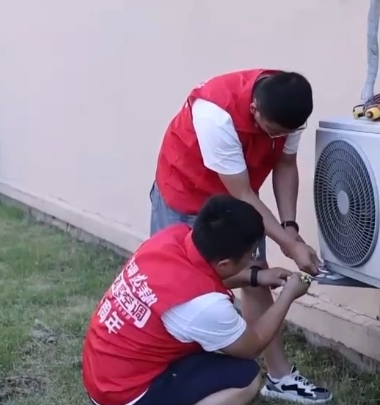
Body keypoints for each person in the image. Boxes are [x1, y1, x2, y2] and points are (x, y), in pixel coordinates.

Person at [150, 69, 331, 402]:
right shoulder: (215, 114)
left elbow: (286, 165)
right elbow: (243, 194)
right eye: (272, 131)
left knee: (255, 279)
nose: (278, 138)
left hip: (237, 199)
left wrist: (290, 227)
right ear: (255, 111)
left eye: (285, 132)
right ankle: (168, 377)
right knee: (176, 287)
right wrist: (291, 246)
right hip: (186, 195)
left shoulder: (288, 110)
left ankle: (280, 377)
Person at [82, 195, 312, 405]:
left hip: (103, 374)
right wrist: (288, 295)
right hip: (125, 395)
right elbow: (251, 345)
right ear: (225, 263)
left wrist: (256, 276)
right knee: (246, 378)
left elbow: (200, 278)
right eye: (251, 254)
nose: (254, 258)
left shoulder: (171, 238)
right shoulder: (206, 307)